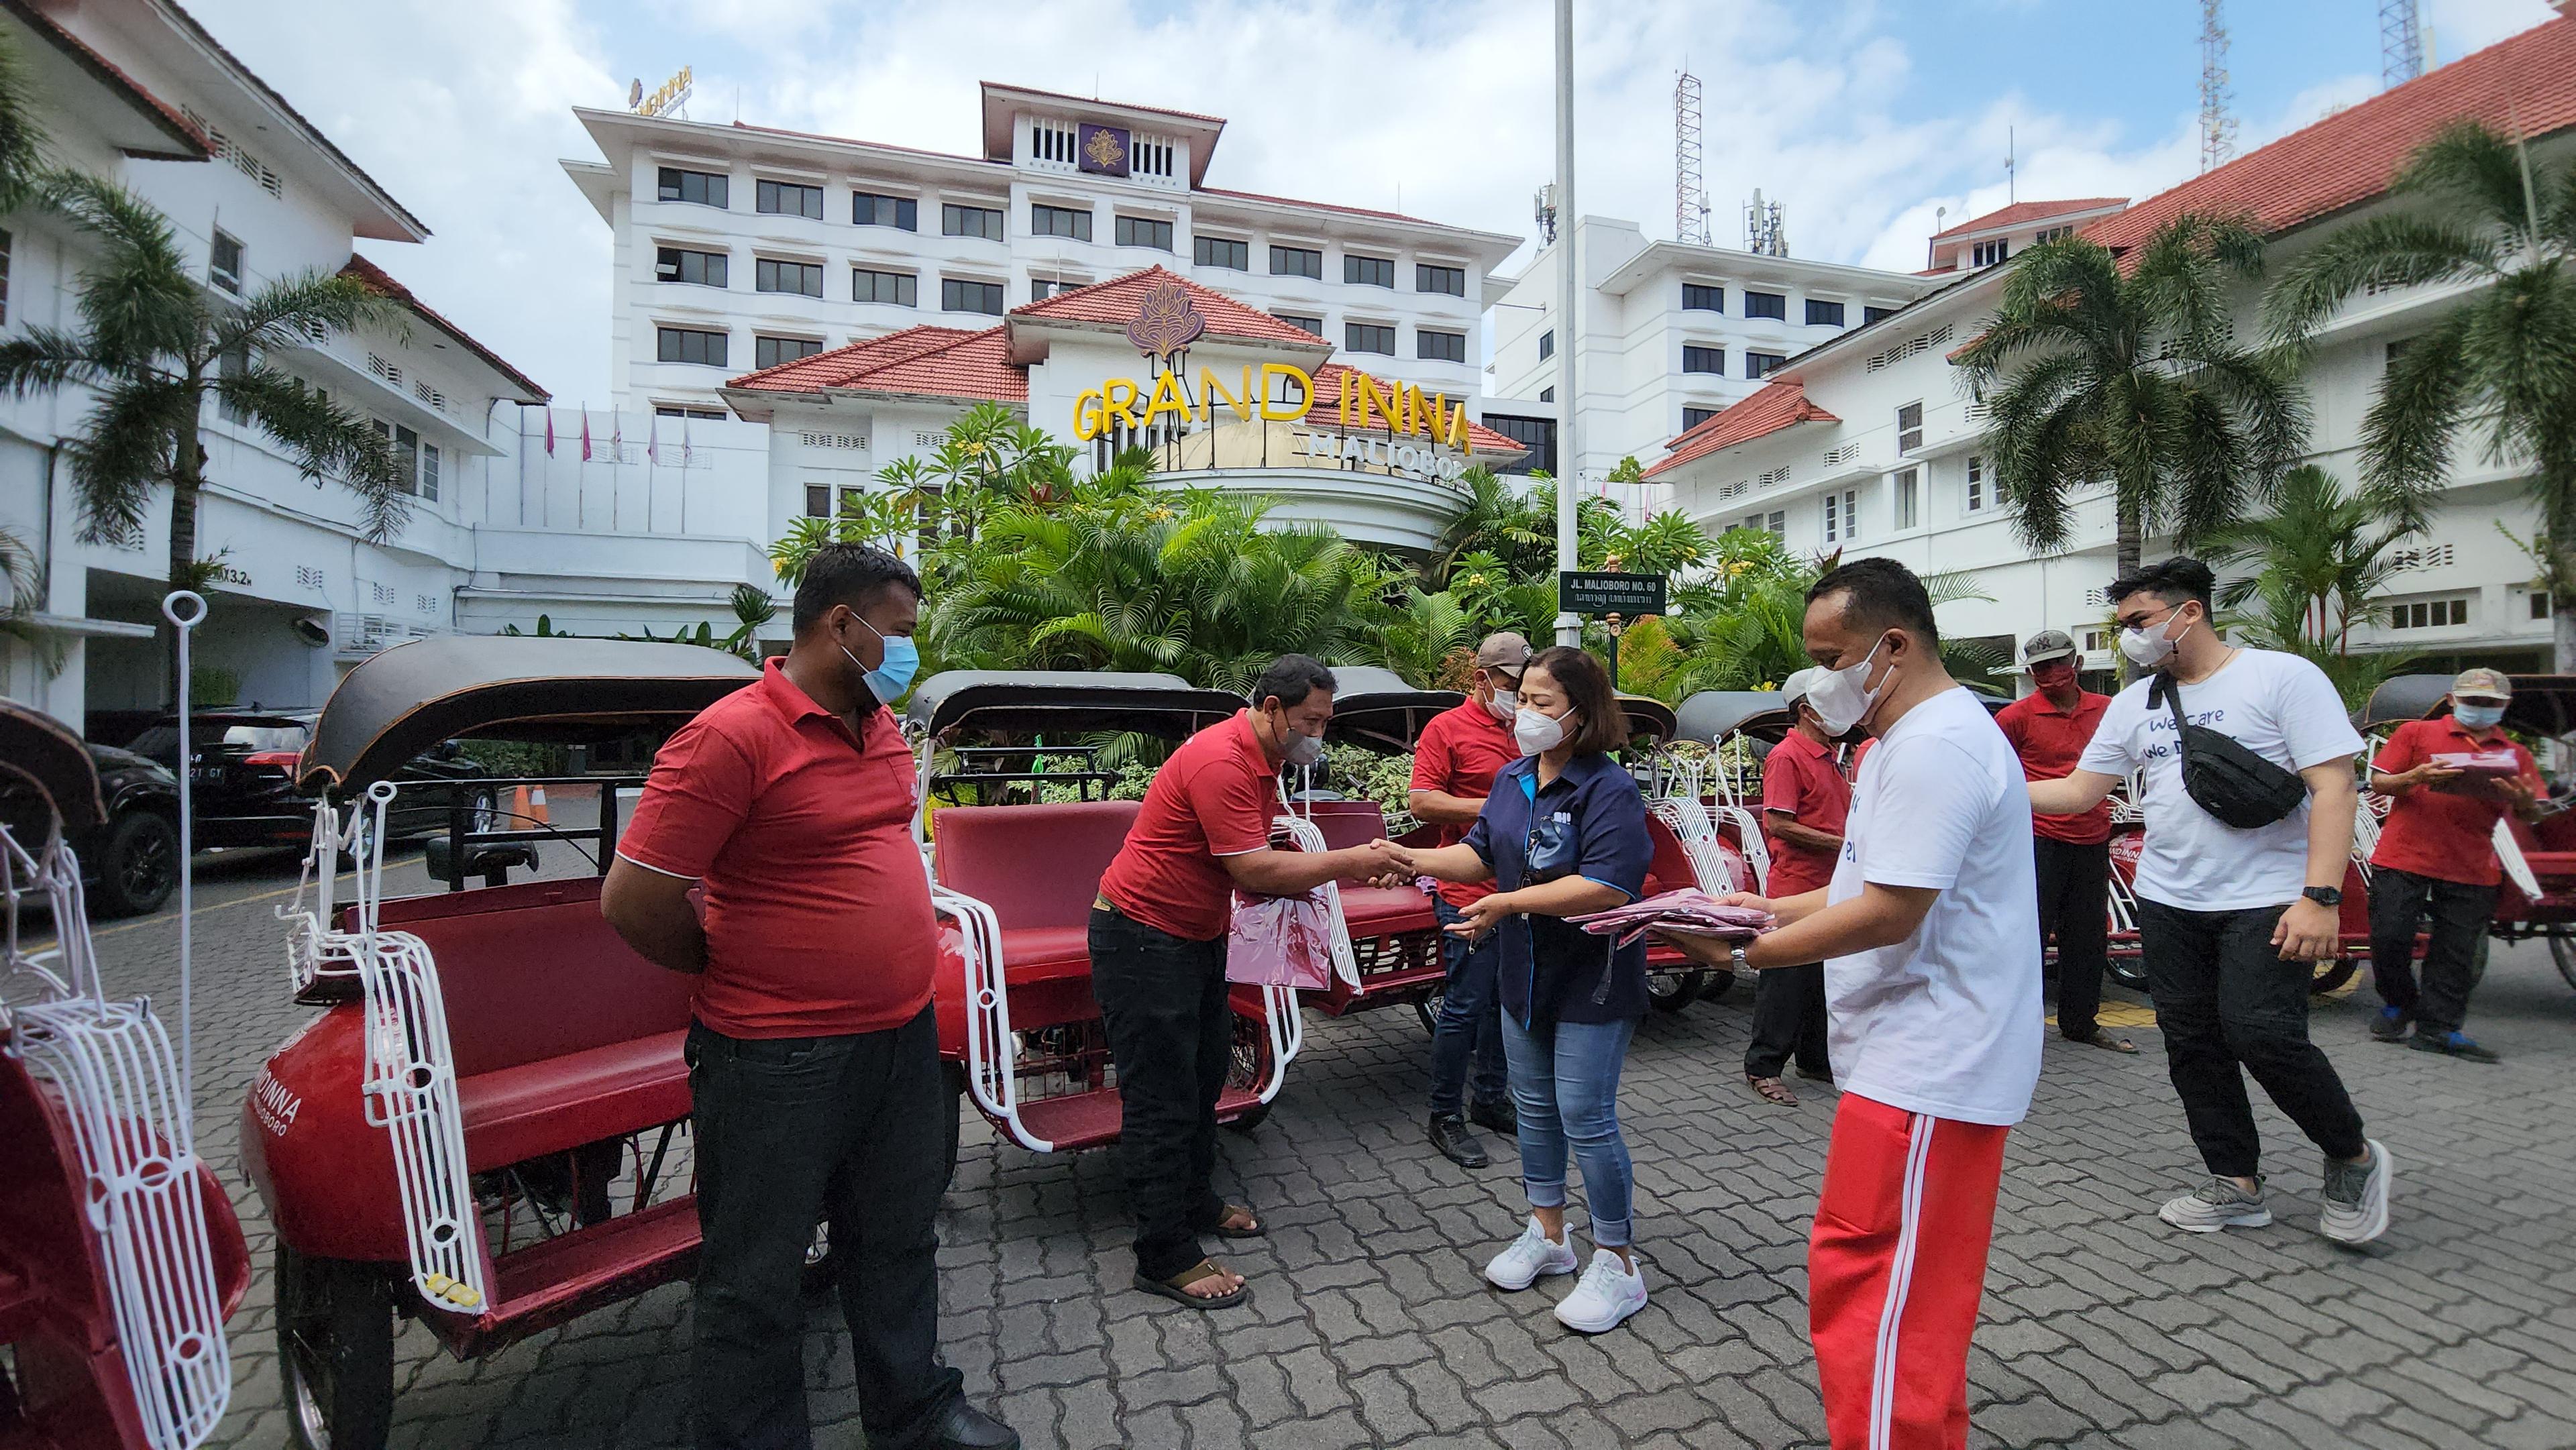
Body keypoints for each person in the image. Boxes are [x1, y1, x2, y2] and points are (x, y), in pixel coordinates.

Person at [600, 544, 1017, 1450]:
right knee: (756, 1271)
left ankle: (917, 1412)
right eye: (900, 633)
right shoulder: (731, 735)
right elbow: (633, 901)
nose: (909, 652)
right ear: (842, 624)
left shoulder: (875, 725)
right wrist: (748, 967)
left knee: (895, 1237)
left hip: (900, 1034)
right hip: (776, 1055)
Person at [1661, 557, 2042, 1450]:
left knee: (1875, 1285)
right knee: (1905, 1286)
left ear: (1894, 646)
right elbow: (1858, 884)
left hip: (1930, 1061)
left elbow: (1887, 912)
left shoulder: (1933, 746)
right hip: (1914, 1058)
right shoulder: (1898, 743)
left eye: (1831, 658)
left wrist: (1742, 949)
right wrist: (1757, 905)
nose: (1816, 682)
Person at [2031, 556, 2392, 1246]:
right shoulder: (2137, 704)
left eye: (2138, 621)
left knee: (2263, 1032)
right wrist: (1986, 788)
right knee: (2193, 1042)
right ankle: (2236, 1181)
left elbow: (2336, 787)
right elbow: (2080, 791)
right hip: (2170, 900)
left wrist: (2320, 896)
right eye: (2124, 624)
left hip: (2269, 898)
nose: (2129, 636)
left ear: (2187, 611)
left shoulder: (2280, 677)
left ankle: (2353, 1156)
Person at [1091, 655, 1398, 1310]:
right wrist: (1351, 859)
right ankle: (1162, 1252)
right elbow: (1254, 870)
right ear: (1270, 707)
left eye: (1326, 721)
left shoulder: (1264, 757)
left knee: (1204, 1077)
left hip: (1194, 934)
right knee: (1161, 1096)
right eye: (1310, 720)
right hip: (1144, 936)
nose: (1318, 734)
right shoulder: (1223, 759)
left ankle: (1195, 1201)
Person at [1389, 646, 1656, 1334]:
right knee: (1534, 1108)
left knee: (1586, 1116)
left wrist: (1512, 903)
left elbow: (1609, 882)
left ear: (1581, 711)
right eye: (1523, 698)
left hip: (1590, 975)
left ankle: (1620, 1263)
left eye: (1542, 701)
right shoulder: (1513, 778)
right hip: (1523, 972)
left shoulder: (1608, 788)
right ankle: (1549, 1233)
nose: (1525, 712)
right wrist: (1411, 855)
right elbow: (1479, 851)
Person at [2365, 667, 2544, 1062]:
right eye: (2472, 701)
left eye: (2490, 704)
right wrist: (2418, 775)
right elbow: (2379, 783)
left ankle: (2438, 1028)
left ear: (2504, 707)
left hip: (2471, 864)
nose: (2480, 709)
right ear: (2451, 701)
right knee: (2389, 937)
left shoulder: (2514, 754)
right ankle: (2400, 1001)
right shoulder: (2416, 733)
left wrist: (2524, 800)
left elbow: (2532, 814)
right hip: (2404, 854)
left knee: (2456, 952)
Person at [1407, 632, 1529, 1167]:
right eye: (1512, 685)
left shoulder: (1529, 729)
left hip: (1522, 892)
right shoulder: (1448, 728)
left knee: (1506, 1002)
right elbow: (1421, 802)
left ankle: (1489, 1100)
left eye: (1527, 687)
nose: (1520, 695)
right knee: (1464, 1005)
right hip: (1466, 892)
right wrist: (1497, 805)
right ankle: (1444, 1116)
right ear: (1482, 679)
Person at [1994, 629, 2134, 1054]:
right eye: (2039, 668)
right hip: (2037, 841)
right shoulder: (2016, 717)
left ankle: (2080, 1022)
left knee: (2088, 935)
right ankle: (2016, 1026)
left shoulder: (2108, 710)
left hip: (2092, 836)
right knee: (2028, 935)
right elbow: (1994, 775)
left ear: (2077, 665)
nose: (2049, 674)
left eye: (2057, 664)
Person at [1740, 666, 1846, 1105]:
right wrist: (1843, 843)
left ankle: (1815, 1059)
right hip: (1797, 888)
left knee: (1822, 978)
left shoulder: (1830, 757)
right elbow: (1778, 824)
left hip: (1829, 887)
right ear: (1807, 709)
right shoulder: (1788, 756)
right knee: (1785, 979)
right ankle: (1762, 1066)